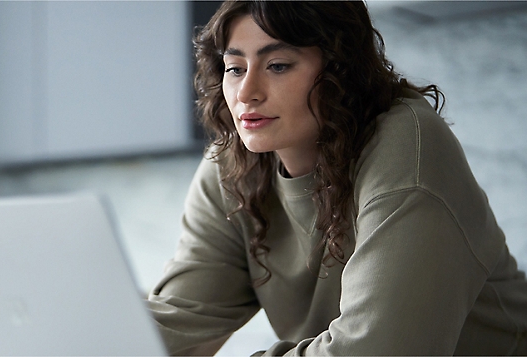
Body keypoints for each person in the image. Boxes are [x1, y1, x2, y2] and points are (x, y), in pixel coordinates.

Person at [147, 1, 527, 355]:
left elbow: (376, 348)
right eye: (235, 68)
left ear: (339, 68)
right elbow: (180, 318)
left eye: (278, 65)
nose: (247, 93)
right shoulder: (232, 166)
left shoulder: (405, 146)